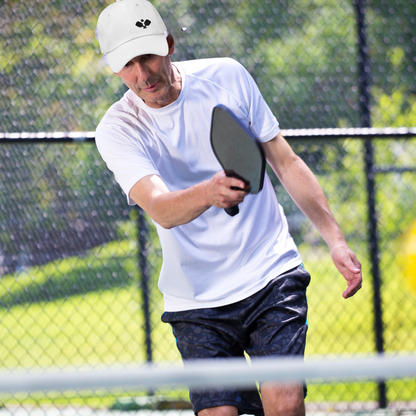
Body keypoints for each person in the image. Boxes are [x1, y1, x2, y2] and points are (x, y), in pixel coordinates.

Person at [95, 1, 362, 415]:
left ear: (167, 44)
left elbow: (285, 161)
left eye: (147, 56)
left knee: (286, 406)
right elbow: (161, 209)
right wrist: (209, 193)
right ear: (114, 68)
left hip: (268, 271)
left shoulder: (227, 76)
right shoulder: (116, 130)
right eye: (128, 64)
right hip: (195, 300)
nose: (142, 74)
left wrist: (336, 239)